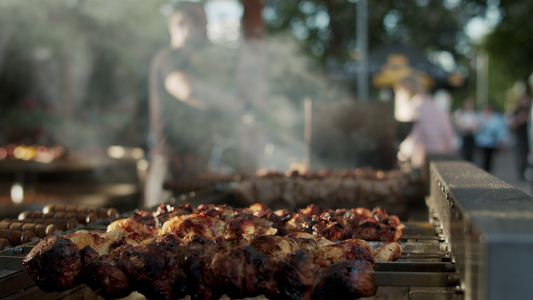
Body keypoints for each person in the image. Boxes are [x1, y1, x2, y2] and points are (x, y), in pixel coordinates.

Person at [145, 2, 242, 207]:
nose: (206, 29)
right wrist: (239, 107)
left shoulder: (196, 66)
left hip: (198, 168)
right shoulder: (168, 58)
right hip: (171, 170)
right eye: (200, 22)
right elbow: (189, 90)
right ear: (180, 24)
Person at [395, 74, 456, 172]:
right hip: (442, 162)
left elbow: (411, 143)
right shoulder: (439, 108)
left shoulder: (412, 108)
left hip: (422, 165)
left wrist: (400, 156)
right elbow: (449, 139)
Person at [475, 103, 508, 173]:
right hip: (482, 142)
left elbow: (501, 130)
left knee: (489, 159)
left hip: (492, 142)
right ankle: (484, 171)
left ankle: (487, 171)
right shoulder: (481, 117)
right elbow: (476, 129)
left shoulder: (497, 118)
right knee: (483, 158)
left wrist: (501, 141)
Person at [509, 93, 531, 180]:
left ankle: (527, 171)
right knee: (521, 155)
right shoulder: (517, 111)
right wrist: (519, 119)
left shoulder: (530, 110)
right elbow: (511, 126)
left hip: (529, 136)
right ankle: (522, 173)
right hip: (520, 137)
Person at [453, 98, 480, 162]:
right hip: (463, 136)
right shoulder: (460, 113)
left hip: (471, 136)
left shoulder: (475, 114)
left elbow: (477, 126)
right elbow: (457, 124)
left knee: (470, 154)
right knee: (464, 153)